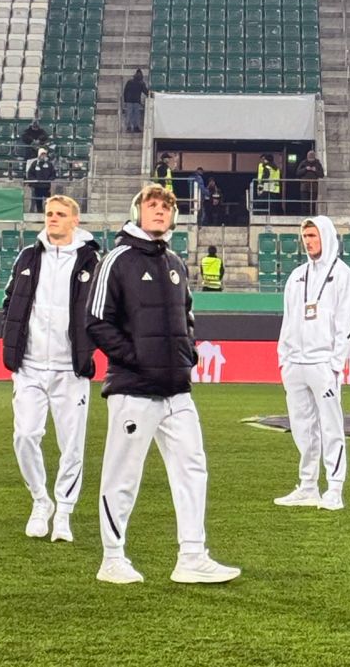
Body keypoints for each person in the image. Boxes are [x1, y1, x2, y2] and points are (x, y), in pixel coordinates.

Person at [88, 184, 240, 585]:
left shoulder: (175, 261)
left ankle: (192, 556)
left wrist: (185, 354)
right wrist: (137, 358)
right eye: (152, 205)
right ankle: (112, 558)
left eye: (166, 207)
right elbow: (96, 322)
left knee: (193, 468)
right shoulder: (116, 259)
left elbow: (187, 315)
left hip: (177, 390)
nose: (159, 211)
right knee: (123, 474)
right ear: (138, 212)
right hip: (133, 388)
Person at [1, 195, 101, 541]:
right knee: (25, 436)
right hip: (28, 366)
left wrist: (88, 347)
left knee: (71, 445)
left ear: (76, 220)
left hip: (70, 369)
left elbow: (104, 309)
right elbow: (9, 301)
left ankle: (65, 512)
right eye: (48, 214)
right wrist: (13, 338)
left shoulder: (93, 261)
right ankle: (40, 501)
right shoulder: (28, 256)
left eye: (60, 214)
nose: (52, 219)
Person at [275, 216, 350, 511]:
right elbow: (288, 320)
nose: (309, 241)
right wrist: (283, 358)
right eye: (305, 236)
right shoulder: (297, 276)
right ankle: (308, 486)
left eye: (313, 235)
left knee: (330, 427)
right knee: (302, 427)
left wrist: (335, 363)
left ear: (326, 235)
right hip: (295, 363)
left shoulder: (343, 276)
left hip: (323, 362)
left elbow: (346, 323)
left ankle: (334, 489)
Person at [25, 148, 56, 214]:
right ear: (39, 155)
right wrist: (34, 181)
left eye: (44, 154)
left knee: (48, 202)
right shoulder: (34, 164)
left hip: (46, 187)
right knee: (38, 202)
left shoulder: (49, 164)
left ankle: (48, 215)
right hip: (37, 187)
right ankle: (39, 216)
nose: (43, 156)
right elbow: (30, 174)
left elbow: (53, 174)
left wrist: (49, 180)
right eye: (42, 154)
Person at [296, 150, 325, 216]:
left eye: (312, 159)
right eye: (309, 159)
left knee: (313, 203)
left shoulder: (318, 164)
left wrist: (315, 170)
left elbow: (322, 175)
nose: (311, 161)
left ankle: (312, 215)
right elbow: (297, 173)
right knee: (304, 202)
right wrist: (305, 169)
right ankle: (304, 215)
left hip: (314, 187)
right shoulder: (303, 163)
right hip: (304, 186)